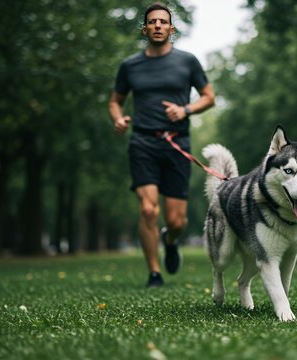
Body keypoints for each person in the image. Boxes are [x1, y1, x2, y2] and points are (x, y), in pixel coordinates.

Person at [108, 2, 215, 287]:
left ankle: (169, 239)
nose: (157, 25)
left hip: (177, 143)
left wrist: (186, 110)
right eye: (152, 22)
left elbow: (209, 96)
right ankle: (154, 273)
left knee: (177, 220)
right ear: (145, 29)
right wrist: (118, 119)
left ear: (171, 28)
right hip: (143, 142)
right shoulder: (130, 66)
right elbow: (115, 101)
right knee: (147, 209)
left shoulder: (187, 61)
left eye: (163, 22)